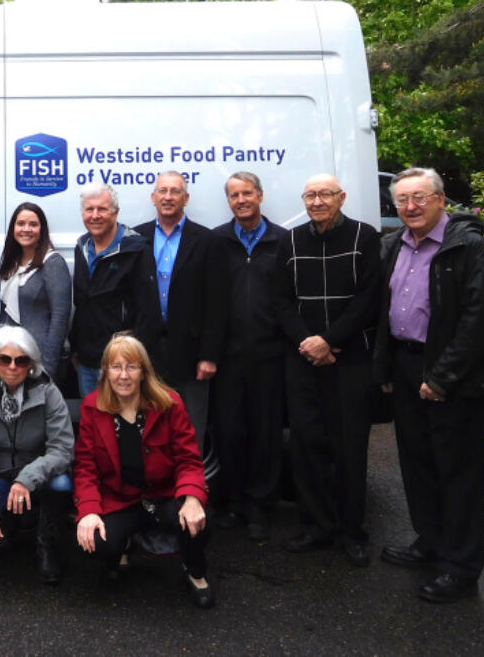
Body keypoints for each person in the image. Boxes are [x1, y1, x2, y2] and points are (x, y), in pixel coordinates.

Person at [373, 167, 484, 603]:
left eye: (419, 198)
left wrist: (442, 377)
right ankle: (430, 542)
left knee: (460, 474)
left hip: (452, 377)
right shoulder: (393, 244)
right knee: (418, 465)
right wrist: (388, 370)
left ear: (441, 200)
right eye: (403, 201)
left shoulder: (470, 247)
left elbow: (479, 321)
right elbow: (385, 313)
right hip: (407, 367)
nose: (410, 207)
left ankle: (462, 568)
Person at [274, 173, 381, 566]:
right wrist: (308, 342)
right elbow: (281, 301)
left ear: (342, 197)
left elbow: (369, 299)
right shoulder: (290, 241)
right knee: (306, 447)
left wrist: (331, 340)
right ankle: (317, 527)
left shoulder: (364, 237)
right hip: (302, 360)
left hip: (349, 359)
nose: (317, 201)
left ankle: (352, 532)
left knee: (350, 447)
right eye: (310, 195)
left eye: (325, 194)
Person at [74, 333, 214, 608]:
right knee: (96, 542)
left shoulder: (170, 403)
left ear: (143, 372)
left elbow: (189, 459)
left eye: (131, 367)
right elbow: (85, 468)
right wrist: (89, 510)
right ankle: (122, 547)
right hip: (120, 499)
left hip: (165, 495)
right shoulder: (92, 407)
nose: (123, 375)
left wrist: (193, 498)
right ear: (106, 371)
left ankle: (195, 571)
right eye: (116, 367)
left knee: (199, 520)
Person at [208, 171, 288, 541]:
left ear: (260, 195)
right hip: (228, 357)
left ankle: (260, 507)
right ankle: (234, 502)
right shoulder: (217, 242)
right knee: (229, 432)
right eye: (234, 195)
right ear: (228, 201)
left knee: (266, 434)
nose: (241, 200)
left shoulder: (282, 241)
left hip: (270, 355)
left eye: (247, 193)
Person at [133, 170, 227, 476]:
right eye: (163, 191)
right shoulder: (137, 238)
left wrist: (209, 355)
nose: (169, 197)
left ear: (186, 198)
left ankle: (191, 500)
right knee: (150, 432)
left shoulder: (207, 240)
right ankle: (157, 504)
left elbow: (217, 303)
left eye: (175, 191)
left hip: (192, 355)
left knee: (191, 433)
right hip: (147, 355)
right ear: (153, 197)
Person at [0, 325, 74, 583]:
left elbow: (63, 448)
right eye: (4, 359)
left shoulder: (49, 393)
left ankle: (46, 544)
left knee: (61, 482)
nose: (12, 366)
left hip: (38, 470)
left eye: (21, 360)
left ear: (31, 364)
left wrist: (27, 477)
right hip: (0, 472)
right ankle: (7, 524)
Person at [70, 184, 148, 398]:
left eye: (102, 209)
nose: (95, 215)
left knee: (123, 425)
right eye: (89, 209)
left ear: (116, 212)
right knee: (93, 425)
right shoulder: (82, 247)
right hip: (87, 361)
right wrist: (76, 348)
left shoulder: (136, 249)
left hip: (122, 362)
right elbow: (82, 303)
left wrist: (134, 360)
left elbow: (146, 311)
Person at [0, 203, 72, 382]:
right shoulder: (11, 263)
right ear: (13, 228)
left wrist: (48, 367)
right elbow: (4, 313)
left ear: (42, 229)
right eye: (21, 223)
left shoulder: (53, 263)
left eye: (33, 224)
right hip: (12, 360)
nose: (26, 229)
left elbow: (60, 318)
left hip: (39, 360)